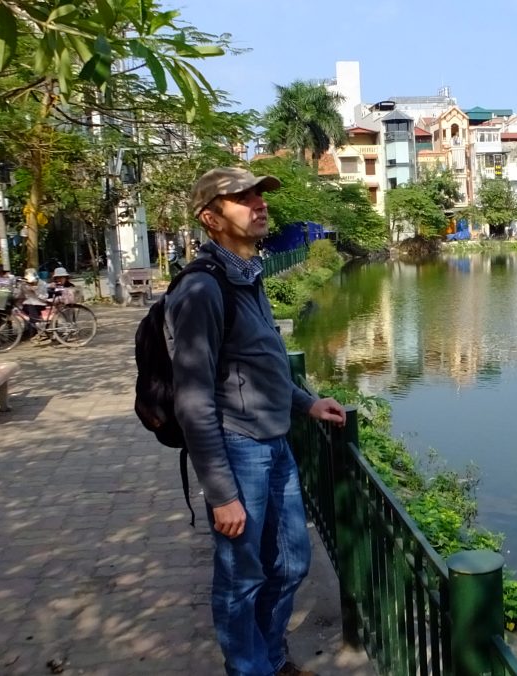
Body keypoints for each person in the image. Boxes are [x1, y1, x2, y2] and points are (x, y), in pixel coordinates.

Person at [165, 167, 345, 676]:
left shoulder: (249, 273)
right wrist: (221, 493)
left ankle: (271, 658)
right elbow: (194, 399)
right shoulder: (202, 289)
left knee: (291, 564)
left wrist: (305, 402)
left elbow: (261, 361)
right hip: (239, 448)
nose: (259, 204)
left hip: (276, 443)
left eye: (259, 195)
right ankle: (250, 669)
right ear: (211, 218)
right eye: (241, 199)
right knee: (241, 576)